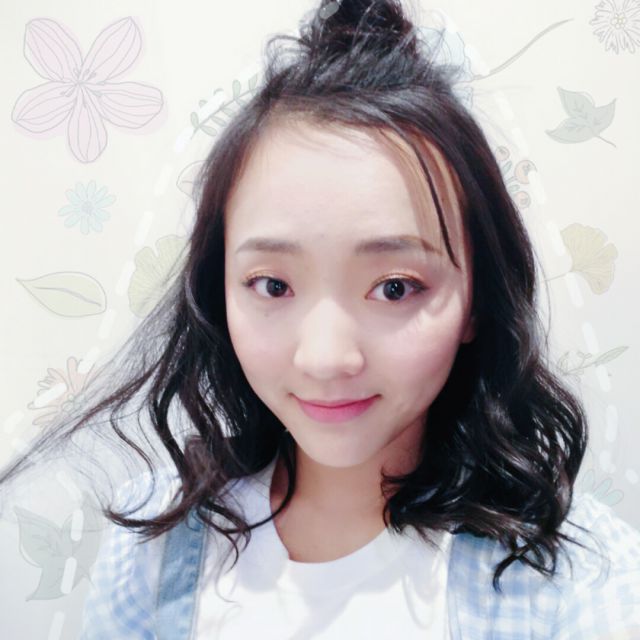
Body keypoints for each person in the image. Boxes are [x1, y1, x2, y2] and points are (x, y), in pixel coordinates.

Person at [2, 1, 639, 638]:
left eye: (395, 288)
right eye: (273, 285)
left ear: (477, 301)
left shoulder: (573, 580)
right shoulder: (155, 542)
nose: (326, 358)